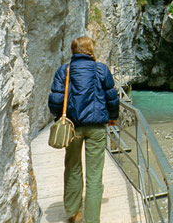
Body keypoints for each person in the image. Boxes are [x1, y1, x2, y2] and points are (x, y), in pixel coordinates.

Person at [48, 36, 119, 223]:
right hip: (96, 128)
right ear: (90, 50)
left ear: (73, 51)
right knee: (95, 175)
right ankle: (92, 219)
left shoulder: (65, 70)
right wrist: (113, 117)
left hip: (72, 127)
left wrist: (59, 118)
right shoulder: (101, 69)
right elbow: (112, 97)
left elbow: (55, 100)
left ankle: (73, 213)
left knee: (72, 168)